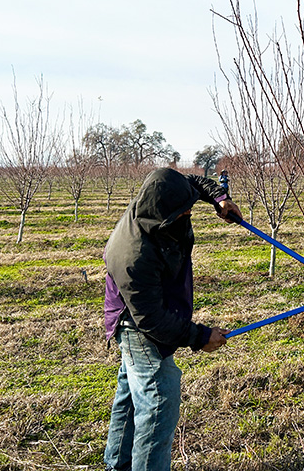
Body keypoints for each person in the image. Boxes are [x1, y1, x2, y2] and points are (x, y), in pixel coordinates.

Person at [103, 167, 242, 471]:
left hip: (146, 310)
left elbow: (191, 183)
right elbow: (151, 319)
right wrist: (200, 336)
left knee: (130, 394)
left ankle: (118, 465)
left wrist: (219, 197)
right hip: (136, 324)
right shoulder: (133, 256)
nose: (189, 212)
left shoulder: (161, 196)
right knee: (157, 400)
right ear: (164, 213)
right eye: (183, 211)